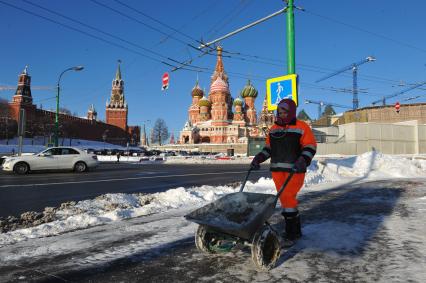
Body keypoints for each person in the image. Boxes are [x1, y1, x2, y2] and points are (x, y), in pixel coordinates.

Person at [251, 98, 317, 246]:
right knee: (286, 200)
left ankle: (292, 233)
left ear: (291, 111)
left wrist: (303, 160)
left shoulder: (301, 127)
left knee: (288, 198)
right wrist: (259, 158)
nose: (281, 114)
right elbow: (268, 148)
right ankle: (295, 231)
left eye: (284, 111)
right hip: (277, 170)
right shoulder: (274, 129)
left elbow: (310, 146)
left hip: (295, 171)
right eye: (279, 111)